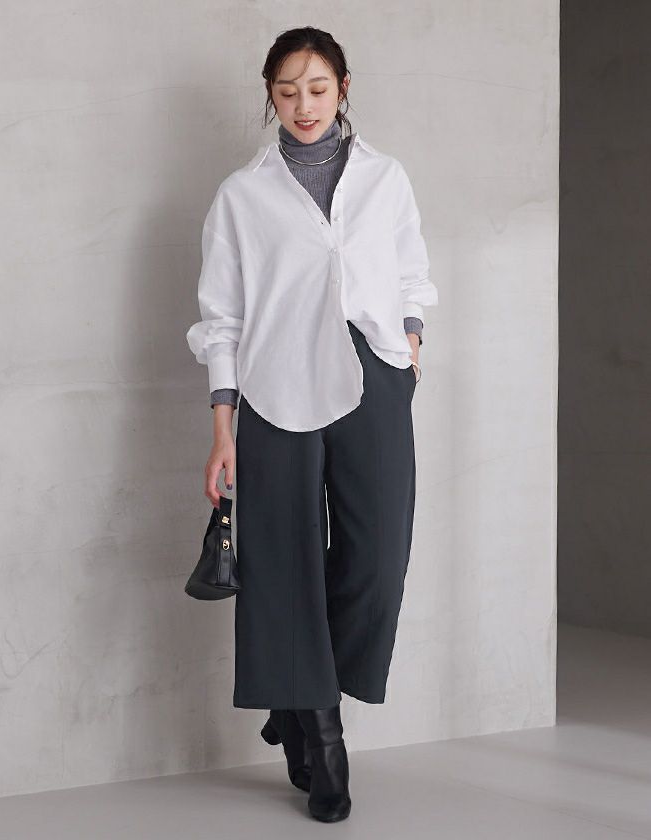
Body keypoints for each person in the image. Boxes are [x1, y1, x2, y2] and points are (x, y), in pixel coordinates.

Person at [186, 26, 438, 823]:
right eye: (287, 90)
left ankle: (293, 694)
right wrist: (222, 428)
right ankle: (322, 743)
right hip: (273, 389)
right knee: (284, 563)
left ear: (343, 88)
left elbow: (411, 272)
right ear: (270, 95)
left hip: (374, 377)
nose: (304, 104)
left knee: (378, 558)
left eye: (318, 88)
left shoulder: (385, 178)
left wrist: (411, 340)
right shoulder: (242, 195)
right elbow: (222, 318)